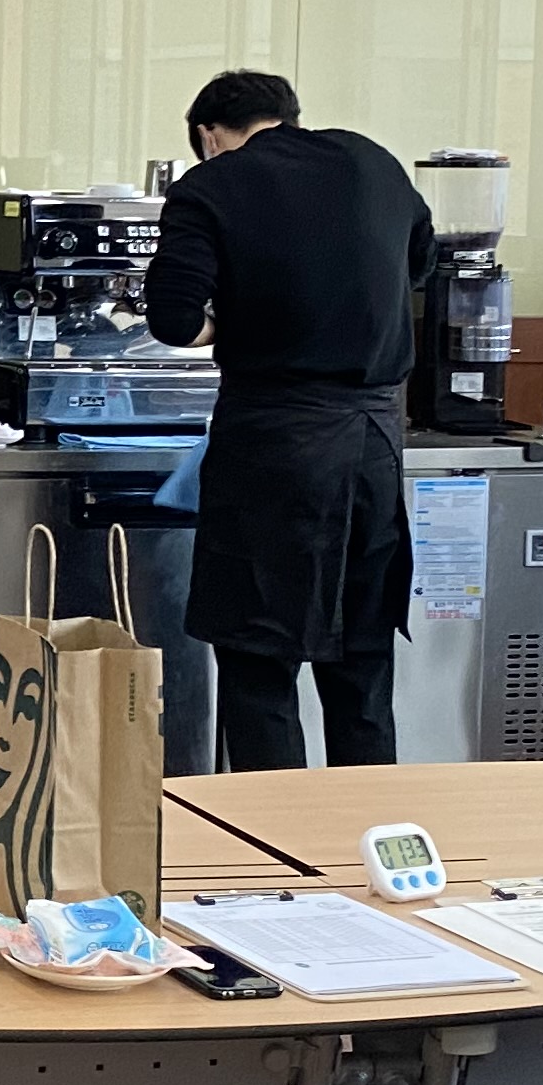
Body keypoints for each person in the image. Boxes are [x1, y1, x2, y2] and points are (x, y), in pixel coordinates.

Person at [140, 69, 434, 769]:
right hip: (373, 442)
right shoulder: (372, 162)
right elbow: (420, 263)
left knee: (259, 663)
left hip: (275, 447)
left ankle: (274, 834)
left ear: (210, 136)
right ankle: (370, 825)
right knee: (361, 662)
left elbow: (173, 319)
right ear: (289, 116)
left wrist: (232, 325)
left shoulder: (211, 185)